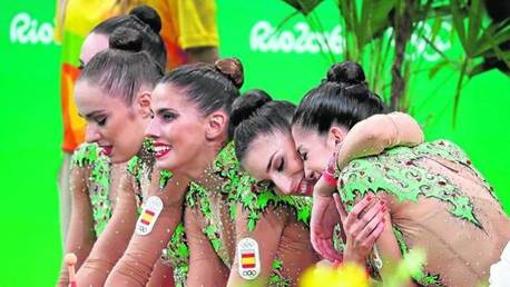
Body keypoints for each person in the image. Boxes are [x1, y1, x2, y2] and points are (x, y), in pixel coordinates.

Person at [292, 61, 510, 286]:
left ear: (336, 139)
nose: (306, 171)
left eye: (304, 154)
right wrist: (354, 256)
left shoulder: (357, 177)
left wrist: (325, 184)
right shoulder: (438, 149)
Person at [55, 0, 219, 240]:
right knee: (80, 266)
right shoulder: (84, 160)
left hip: (157, 157)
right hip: (81, 148)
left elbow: (205, 71)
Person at [57, 24, 187, 286]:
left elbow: (144, 266)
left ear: (145, 101)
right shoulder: (137, 166)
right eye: (86, 68)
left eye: (101, 119)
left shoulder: (175, 161)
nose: (89, 134)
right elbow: (100, 260)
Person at [232, 89, 424, 266]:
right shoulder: (323, 228)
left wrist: (326, 182)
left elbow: (393, 130)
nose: (286, 188)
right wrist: (353, 260)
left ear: (299, 131)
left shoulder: (361, 173)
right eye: (270, 183)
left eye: (280, 164)